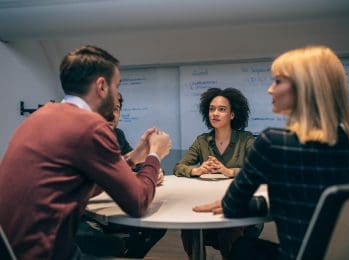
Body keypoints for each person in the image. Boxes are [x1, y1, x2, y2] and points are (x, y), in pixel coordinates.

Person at [0, 45, 172, 259]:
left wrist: (134, 157)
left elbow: (79, 188)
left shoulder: (43, 115)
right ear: (101, 86)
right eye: (116, 85)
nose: (117, 94)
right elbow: (138, 203)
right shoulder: (91, 126)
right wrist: (154, 154)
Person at [193, 46, 349, 259]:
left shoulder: (273, 143)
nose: (270, 90)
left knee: (236, 242)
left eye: (278, 81)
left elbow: (232, 207)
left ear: (305, 88)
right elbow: (319, 201)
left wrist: (237, 202)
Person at [173, 87, 262, 258]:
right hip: (208, 203)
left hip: (237, 204)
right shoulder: (202, 141)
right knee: (188, 229)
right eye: (212, 109)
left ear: (232, 115)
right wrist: (196, 170)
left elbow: (258, 170)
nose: (215, 113)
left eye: (222, 109)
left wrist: (230, 171)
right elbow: (179, 167)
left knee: (229, 231)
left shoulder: (246, 140)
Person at [76, 92, 166, 258]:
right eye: (107, 107)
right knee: (112, 243)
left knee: (156, 226)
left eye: (117, 108)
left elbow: (134, 164)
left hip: (112, 207)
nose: (112, 113)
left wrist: (153, 171)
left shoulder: (117, 135)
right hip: (83, 215)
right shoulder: (83, 137)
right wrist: (153, 158)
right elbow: (111, 175)